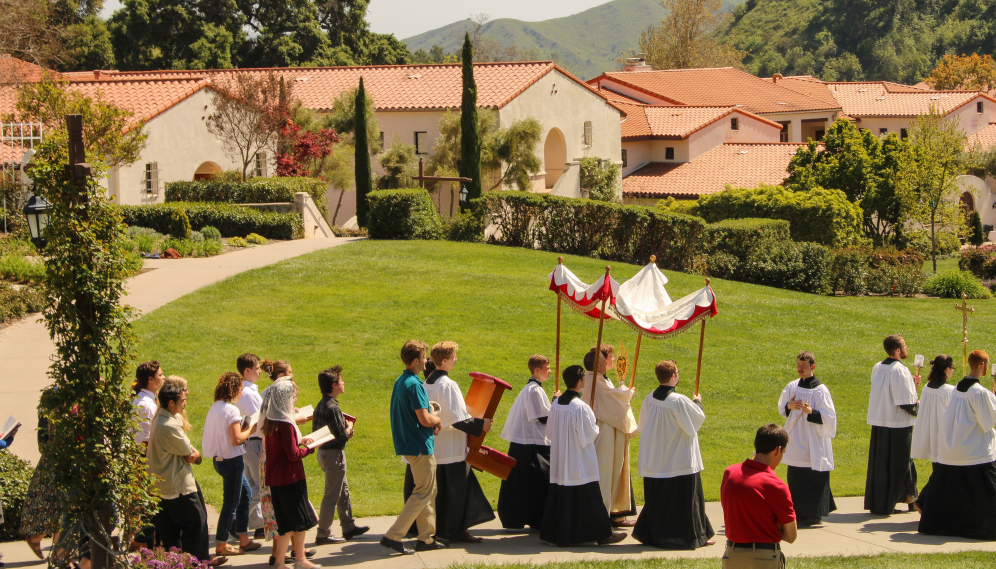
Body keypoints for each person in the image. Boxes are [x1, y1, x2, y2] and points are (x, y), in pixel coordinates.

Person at [540, 365, 626, 547]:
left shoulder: (556, 404)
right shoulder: (580, 407)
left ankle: (556, 533)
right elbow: (589, 435)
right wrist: (593, 421)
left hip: (561, 459)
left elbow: (549, 432)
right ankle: (603, 535)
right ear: (580, 382)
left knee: (560, 497)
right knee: (591, 499)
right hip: (579, 461)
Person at [633, 360, 714, 549]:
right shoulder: (679, 401)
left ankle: (657, 535)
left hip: (655, 459)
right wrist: (698, 402)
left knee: (660, 501)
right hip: (679, 460)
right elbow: (695, 422)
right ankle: (691, 536)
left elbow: (643, 426)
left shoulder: (649, 399)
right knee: (686, 502)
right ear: (674, 376)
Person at [916, 350, 996, 540]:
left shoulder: (958, 387)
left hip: (952, 448)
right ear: (983, 366)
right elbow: (988, 421)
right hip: (974, 451)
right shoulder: (978, 392)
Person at [419, 341, 494, 543]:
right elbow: (458, 419)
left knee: (440, 494)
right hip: (452, 449)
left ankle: (440, 529)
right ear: (444, 361)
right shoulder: (448, 385)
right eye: (453, 356)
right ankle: (455, 532)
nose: (456, 359)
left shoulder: (425, 385)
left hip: (435, 447)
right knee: (456, 494)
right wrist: (481, 425)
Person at [149, 382, 226, 566]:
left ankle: (173, 563)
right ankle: (198, 563)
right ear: (170, 403)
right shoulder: (168, 425)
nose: (185, 404)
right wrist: (197, 456)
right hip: (178, 487)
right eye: (182, 401)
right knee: (196, 526)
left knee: (169, 532)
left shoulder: (162, 416)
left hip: (163, 487)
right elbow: (189, 453)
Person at [381, 340, 444, 555]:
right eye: (425, 357)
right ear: (416, 360)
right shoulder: (415, 384)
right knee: (424, 491)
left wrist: (430, 416)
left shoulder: (401, 381)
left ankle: (426, 538)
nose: (427, 361)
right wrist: (436, 420)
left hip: (409, 442)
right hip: (419, 444)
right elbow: (425, 419)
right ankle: (394, 535)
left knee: (427, 490)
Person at [720, 424, 797, 569]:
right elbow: (791, 536)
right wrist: (774, 526)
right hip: (765, 557)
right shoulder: (777, 486)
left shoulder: (729, 473)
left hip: (732, 555)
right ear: (778, 450)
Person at [263, 380, 320, 569]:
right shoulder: (286, 424)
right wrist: (311, 447)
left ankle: (280, 562)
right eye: (293, 395)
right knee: (299, 520)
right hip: (290, 477)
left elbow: (282, 448)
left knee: (285, 523)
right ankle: (300, 559)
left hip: (276, 479)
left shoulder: (271, 420)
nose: (295, 398)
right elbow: (293, 455)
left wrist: (300, 440)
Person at [202, 372, 261, 556]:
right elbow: (237, 439)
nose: (242, 394)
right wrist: (251, 429)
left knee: (246, 495)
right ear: (233, 389)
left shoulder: (215, 407)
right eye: (241, 390)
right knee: (231, 503)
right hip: (232, 460)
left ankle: (243, 538)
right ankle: (221, 543)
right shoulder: (232, 410)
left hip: (220, 459)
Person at [497, 354, 559, 530]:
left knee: (527, 483)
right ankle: (533, 517)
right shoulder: (534, 390)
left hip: (528, 442)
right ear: (537, 370)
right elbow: (542, 417)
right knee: (537, 481)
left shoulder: (532, 389)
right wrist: (556, 402)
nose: (550, 372)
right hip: (531, 444)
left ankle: (531, 517)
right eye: (547, 368)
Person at [776, 351, 837, 527]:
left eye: (803, 366)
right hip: (796, 438)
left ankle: (813, 514)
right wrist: (789, 405)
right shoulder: (793, 386)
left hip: (813, 438)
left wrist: (813, 412)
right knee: (796, 476)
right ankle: (797, 512)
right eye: (798, 365)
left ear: (812, 367)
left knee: (812, 476)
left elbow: (830, 417)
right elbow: (782, 407)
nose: (800, 369)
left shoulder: (820, 390)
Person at [580, 345, 638, 528]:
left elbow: (612, 399)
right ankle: (601, 517)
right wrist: (627, 395)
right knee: (604, 473)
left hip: (608, 430)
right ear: (599, 365)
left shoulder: (599, 380)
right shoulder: (594, 382)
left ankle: (614, 512)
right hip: (602, 432)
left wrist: (622, 395)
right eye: (609, 358)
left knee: (611, 472)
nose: (611, 361)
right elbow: (612, 403)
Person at [865, 334, 921, 515]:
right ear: (898, 350)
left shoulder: (877, 367)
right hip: (898, 425)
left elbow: (887, 392)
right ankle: (905, 500)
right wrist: (919, 405)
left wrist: (912, 386)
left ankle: (908, 499)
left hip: (880, 423)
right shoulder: (900, 370)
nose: (906, 349)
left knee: (883, 465)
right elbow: (905, 402)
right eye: (904, 346)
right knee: (901, 464)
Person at [313, 365, 369, 545]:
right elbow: (342, 436)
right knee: (332, 494)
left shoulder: (321, 405)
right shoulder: (333, 407)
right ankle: (323, 533)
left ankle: (348, 526)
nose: (344, 383)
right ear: (335, 385)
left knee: (342, 491)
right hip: (333, 455)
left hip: (323, 453)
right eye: (341, 381)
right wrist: (350, 427)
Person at [20, 403, 62, 561]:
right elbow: (43, 443)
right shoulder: (51, 413)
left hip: (56, 462)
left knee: (61, 508)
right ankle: (58, 553)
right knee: (59, 506)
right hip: (55, 463)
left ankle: (55, 550)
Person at [132, 360, 166, 549]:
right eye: (160, 375)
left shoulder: (145, 400)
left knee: (149, 504)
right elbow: (146, 440)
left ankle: (145, 541)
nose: (163, 377)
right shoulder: (147, 405)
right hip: (146, 460)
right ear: (151, 379)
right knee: (152, 503)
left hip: (142, 459)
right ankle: (142, 540)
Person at [235, 354, 266, 540]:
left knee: (253, 484)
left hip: (248, 443)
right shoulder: (248, 394)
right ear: (247, 370)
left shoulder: (247, 391)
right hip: (254, 443)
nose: (260, 371)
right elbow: (260, 421)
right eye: (257, 368)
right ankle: (238, 519)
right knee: (261, 486)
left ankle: (257, 524)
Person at [911, 355, 956, 464]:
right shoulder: (949, 391)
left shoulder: (927, 387)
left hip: (930, 433)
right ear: (947, 369)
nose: (953, 371)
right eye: (952, 368)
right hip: (945, 435)